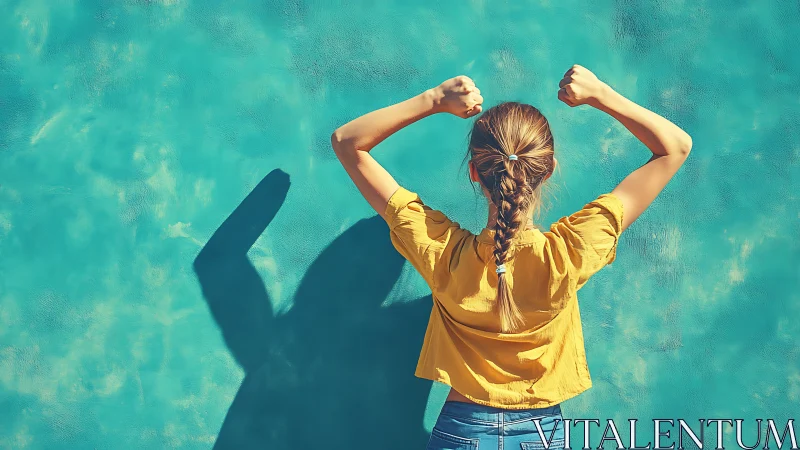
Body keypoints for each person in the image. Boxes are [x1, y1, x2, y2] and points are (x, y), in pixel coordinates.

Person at [331, 64, 692, 450]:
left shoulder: (442, 252)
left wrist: (434, 100)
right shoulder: (568, 252)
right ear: (549, 169)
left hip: (461, 432)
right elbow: (675, 147)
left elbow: (347, 142)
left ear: (474, 172)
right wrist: (601, 94)